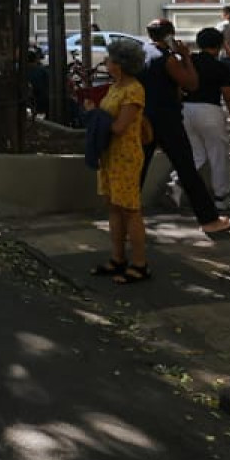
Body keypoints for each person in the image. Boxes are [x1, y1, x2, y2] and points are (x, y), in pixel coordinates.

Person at [139, 18, 230, 234]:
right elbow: (192, 84)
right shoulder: (169, 60)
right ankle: (209, 219)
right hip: (167, 120)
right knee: (187, 168)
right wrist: (186, 58)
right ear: (169, 36)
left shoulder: (142, 53)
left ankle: (125, 217)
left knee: (138, 170)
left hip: (145, 118)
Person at [92, 38, 156, 284]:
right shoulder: (115, 87)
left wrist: (95, 117)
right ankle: (118, 258)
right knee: (114, 207)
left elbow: (119, 126)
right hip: (109, 155)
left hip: (126, 157)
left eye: (109, 60)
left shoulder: (133, 90)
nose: (106, 63)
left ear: (119, 64)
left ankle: (140, 264)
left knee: (130, 210)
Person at [182, 27, 230, 209]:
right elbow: (229, 97)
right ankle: (221, 196)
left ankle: (178, 181)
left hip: (185, 110)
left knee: (196, 154)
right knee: (218, 155)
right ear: (219, 46)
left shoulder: (189, 61)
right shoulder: (221, 67)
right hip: (210, 110)